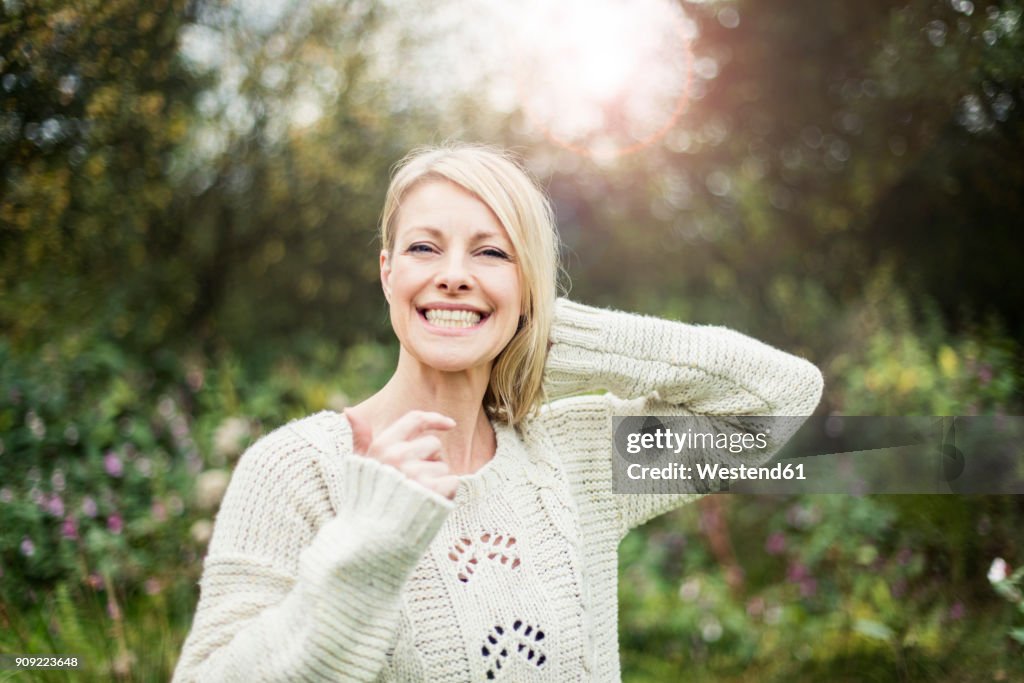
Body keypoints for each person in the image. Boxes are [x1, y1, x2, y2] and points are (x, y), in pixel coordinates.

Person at [172, 143, 823, 681]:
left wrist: (543, 331)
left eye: (491, 253)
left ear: (529, 285)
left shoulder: (572, 460)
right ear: (387, 272)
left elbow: (780, 403)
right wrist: (364, 545)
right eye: (425, 248)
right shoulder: (296, 472)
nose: (455, 274)